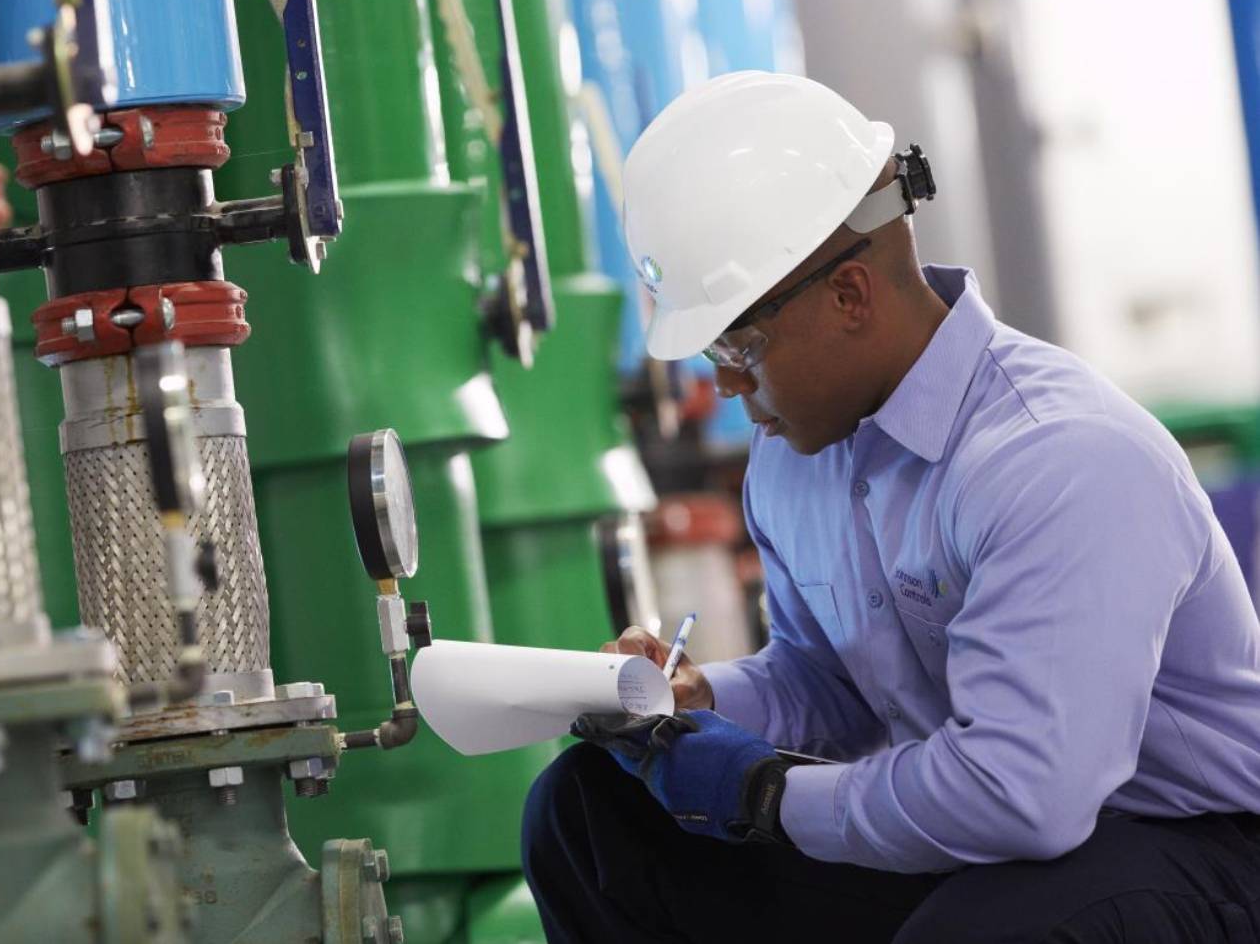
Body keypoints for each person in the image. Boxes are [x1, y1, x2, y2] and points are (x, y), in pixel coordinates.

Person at [521, 71, 1260, 943]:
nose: (722, 382)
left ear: (849, 297)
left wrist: (763, 792)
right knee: (587, 816)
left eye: (737, 344)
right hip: (985, 846)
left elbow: (1022, 797)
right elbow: (828, 683)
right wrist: (697, 699)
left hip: (1187, 848)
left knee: (978, 932)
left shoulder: (1060, 460)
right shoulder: (795, 457)